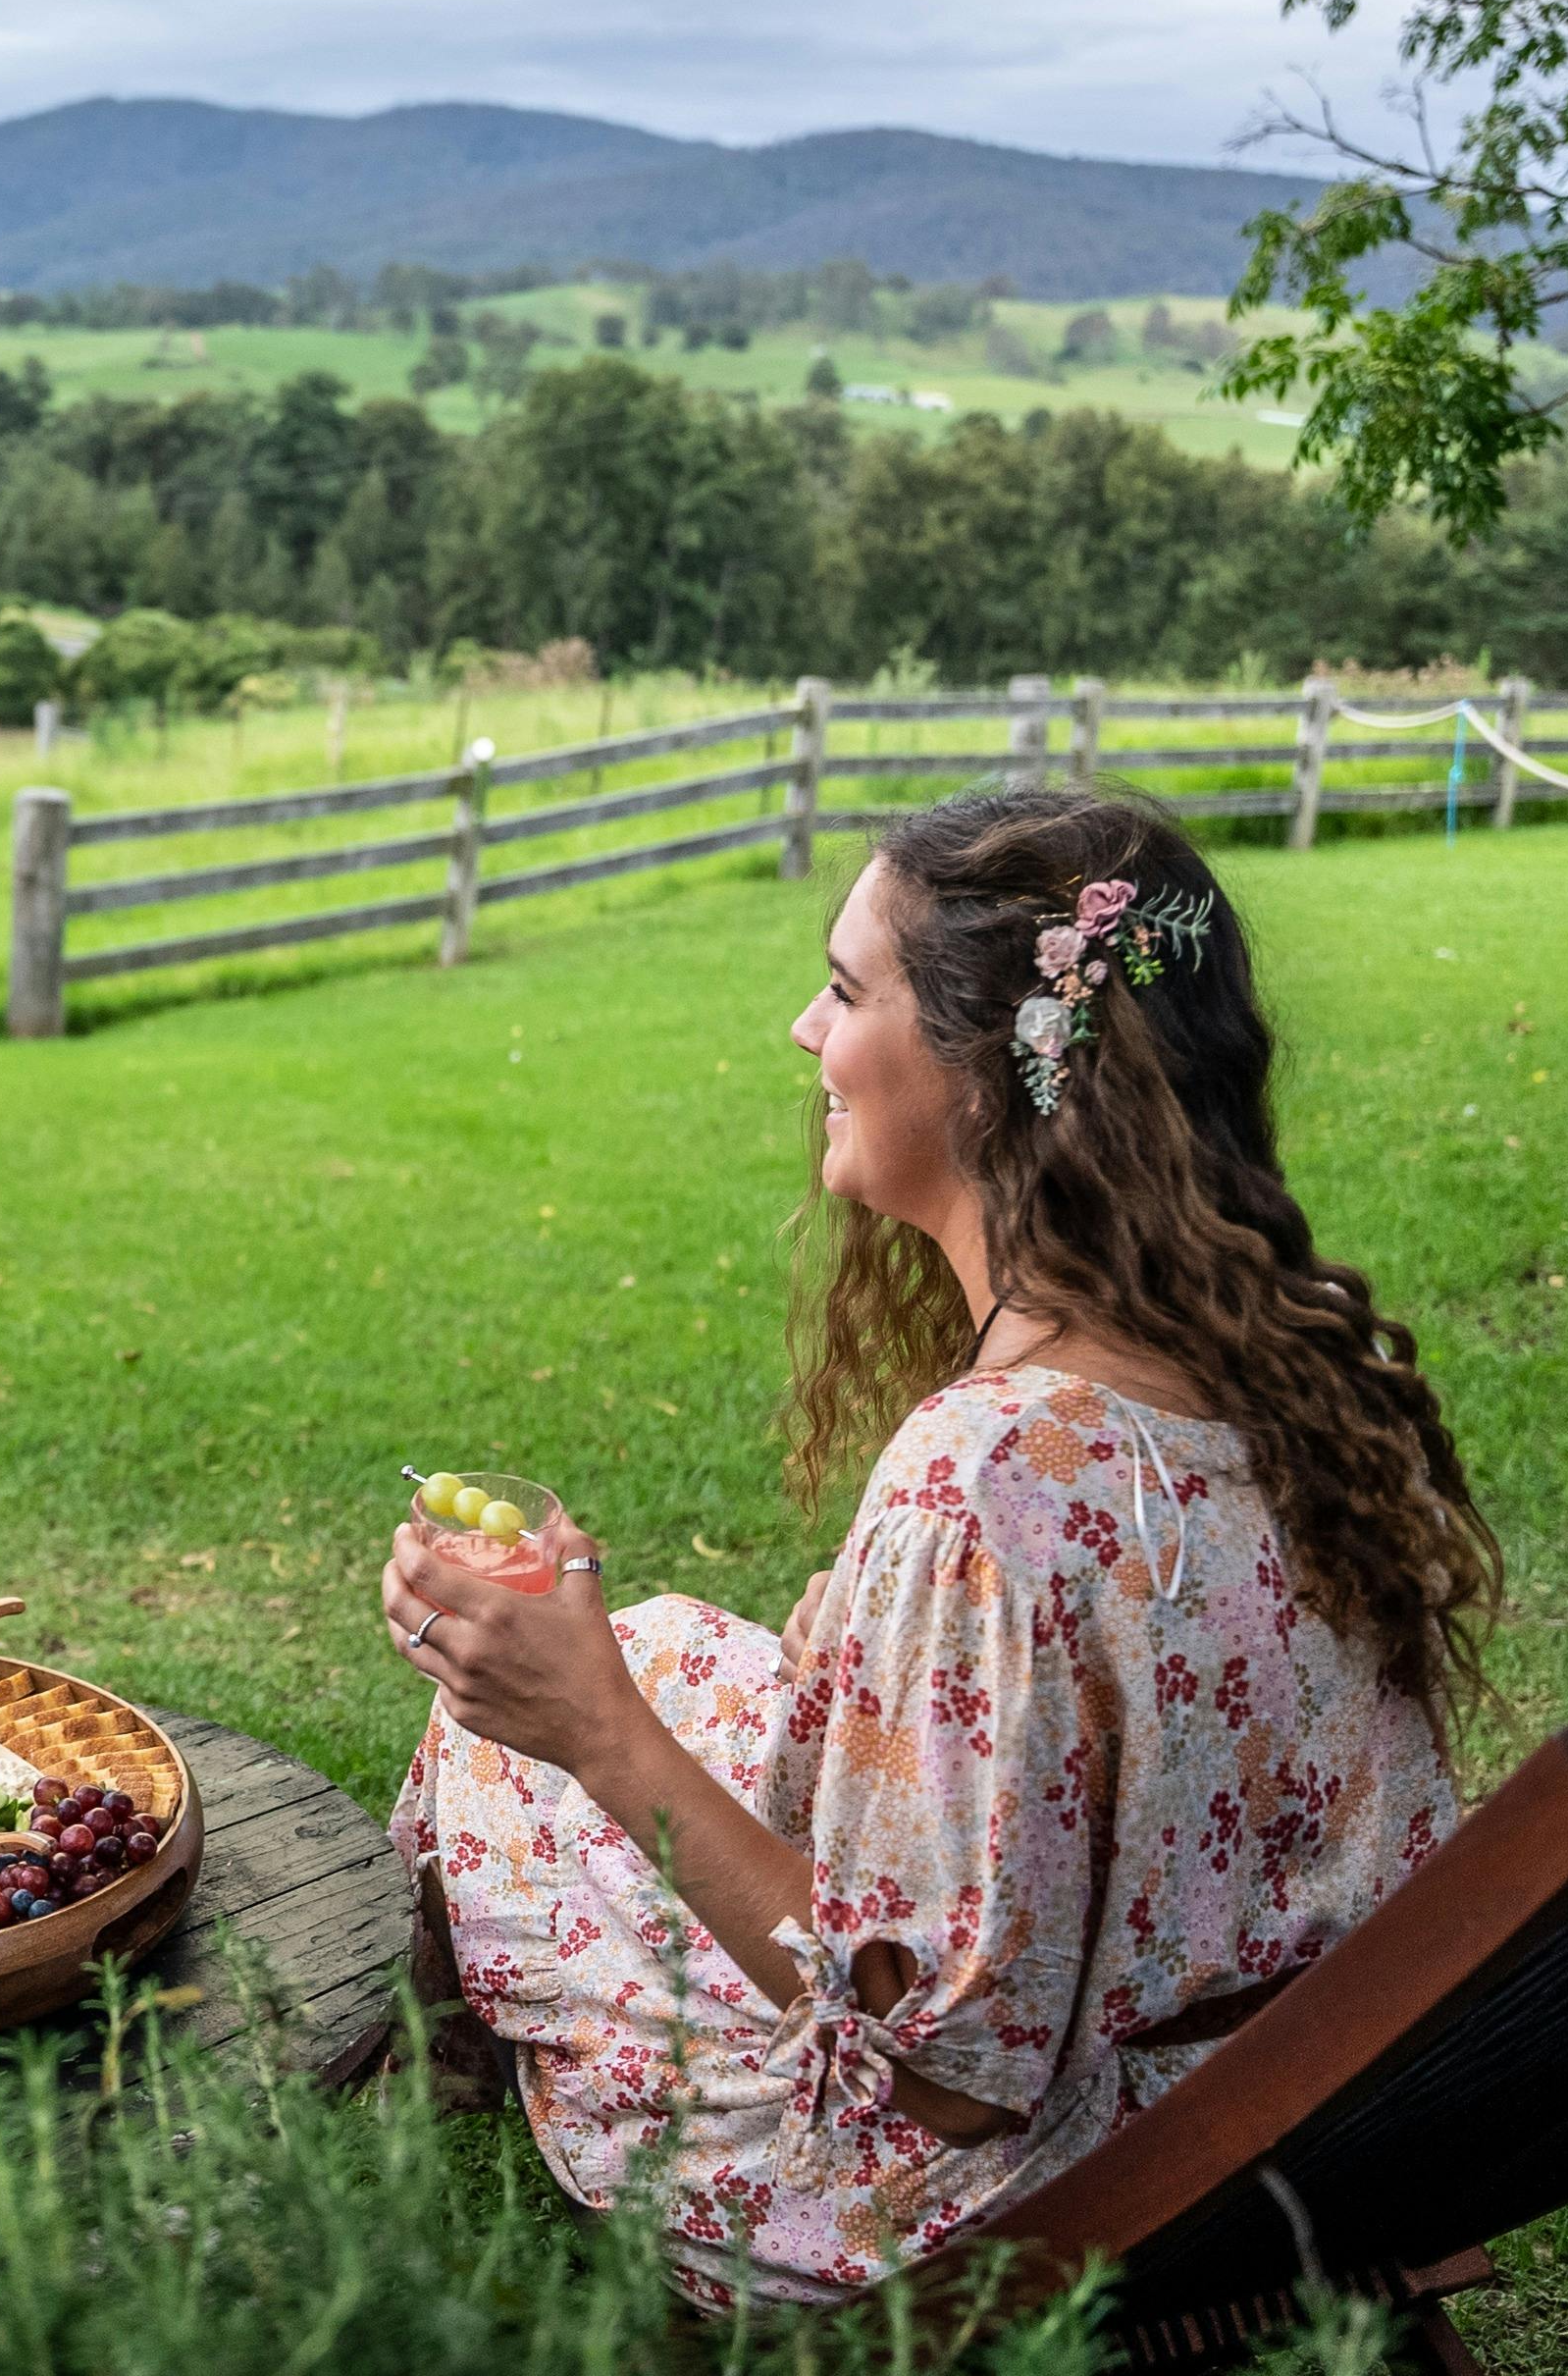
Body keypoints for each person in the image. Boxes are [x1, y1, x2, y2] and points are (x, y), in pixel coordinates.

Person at [381, 784, 1499, 2302]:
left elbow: (946, 2077)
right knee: (659, 1637)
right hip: (1277, 2120)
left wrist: (591, 1730)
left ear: (989, 1072)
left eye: (845, 993)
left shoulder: (987, 1480)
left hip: (1015, 2208)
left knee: (515, 1750)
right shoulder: (1275, 1368)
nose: (803, 1032)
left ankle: (449, 2066)